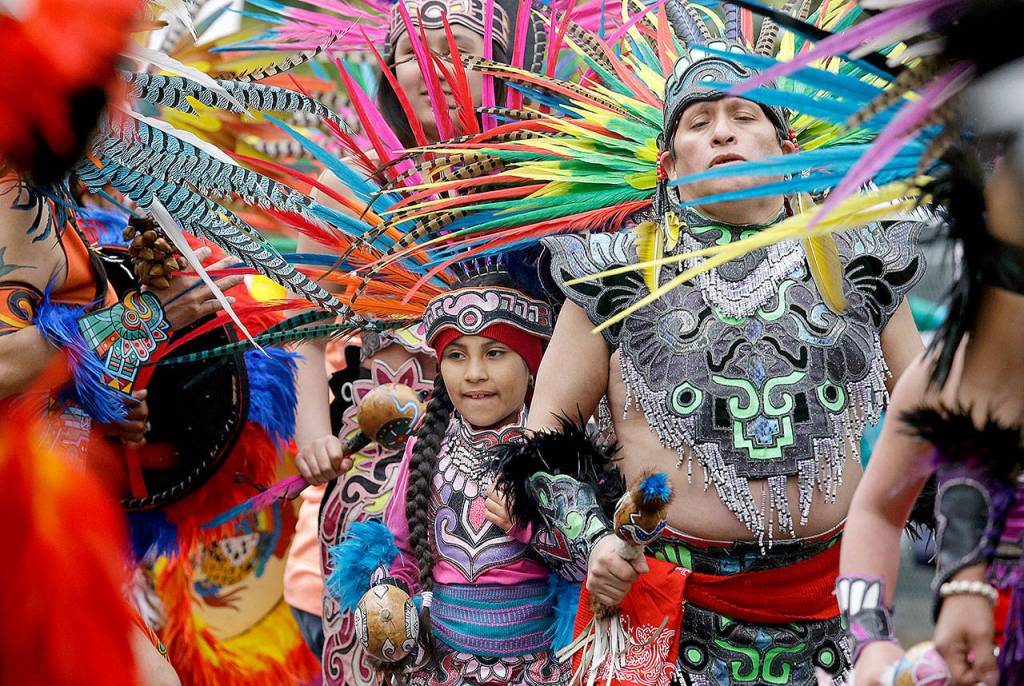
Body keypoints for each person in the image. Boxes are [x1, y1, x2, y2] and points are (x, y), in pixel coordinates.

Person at [514, 22, 924, 686]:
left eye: (743, 115)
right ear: (669, 164)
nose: (722, 133)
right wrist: (594, 542)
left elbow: (935, 414)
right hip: (673, 619)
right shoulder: (612, 275)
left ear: (787, 146)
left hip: (834, 614)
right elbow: (542, 441)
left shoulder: (859, 257)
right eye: (698, 123)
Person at [326, 267, 588, 685]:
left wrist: (528, 528)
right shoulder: (424, 450)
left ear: (533, 363)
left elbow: (587, 568)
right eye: (457, 355)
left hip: (537, 670)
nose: (474, 373)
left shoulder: (555, 454)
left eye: (495, 352)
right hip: (442, 669)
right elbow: (401, 551)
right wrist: (389, 593)